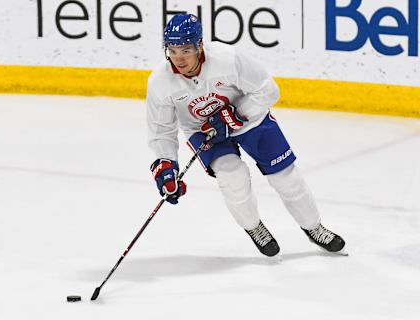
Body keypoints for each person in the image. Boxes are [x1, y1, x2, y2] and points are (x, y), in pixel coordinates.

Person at [146, 13, 346, 257]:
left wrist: (235, 115)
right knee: (232, 178)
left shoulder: (227, 59)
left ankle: (314, 228)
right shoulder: (159, 82)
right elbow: (161, 131)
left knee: (285, 177)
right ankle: (255, 228)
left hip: (249, 120)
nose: (179, 58)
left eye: (186, 50)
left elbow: (268, 90)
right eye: (172, 50)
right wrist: (167, 165)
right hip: (204, 130)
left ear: (199, 45)